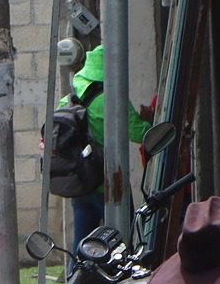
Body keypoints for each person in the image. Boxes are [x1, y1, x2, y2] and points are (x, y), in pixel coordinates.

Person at [60, 45, 151, 245]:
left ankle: (76, 275)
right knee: (122, 244)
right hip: (109, 185)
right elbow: (141, 134)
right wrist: (151, 121)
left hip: (81, 185)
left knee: (82, 245)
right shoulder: (112, 100)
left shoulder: (68, 100)